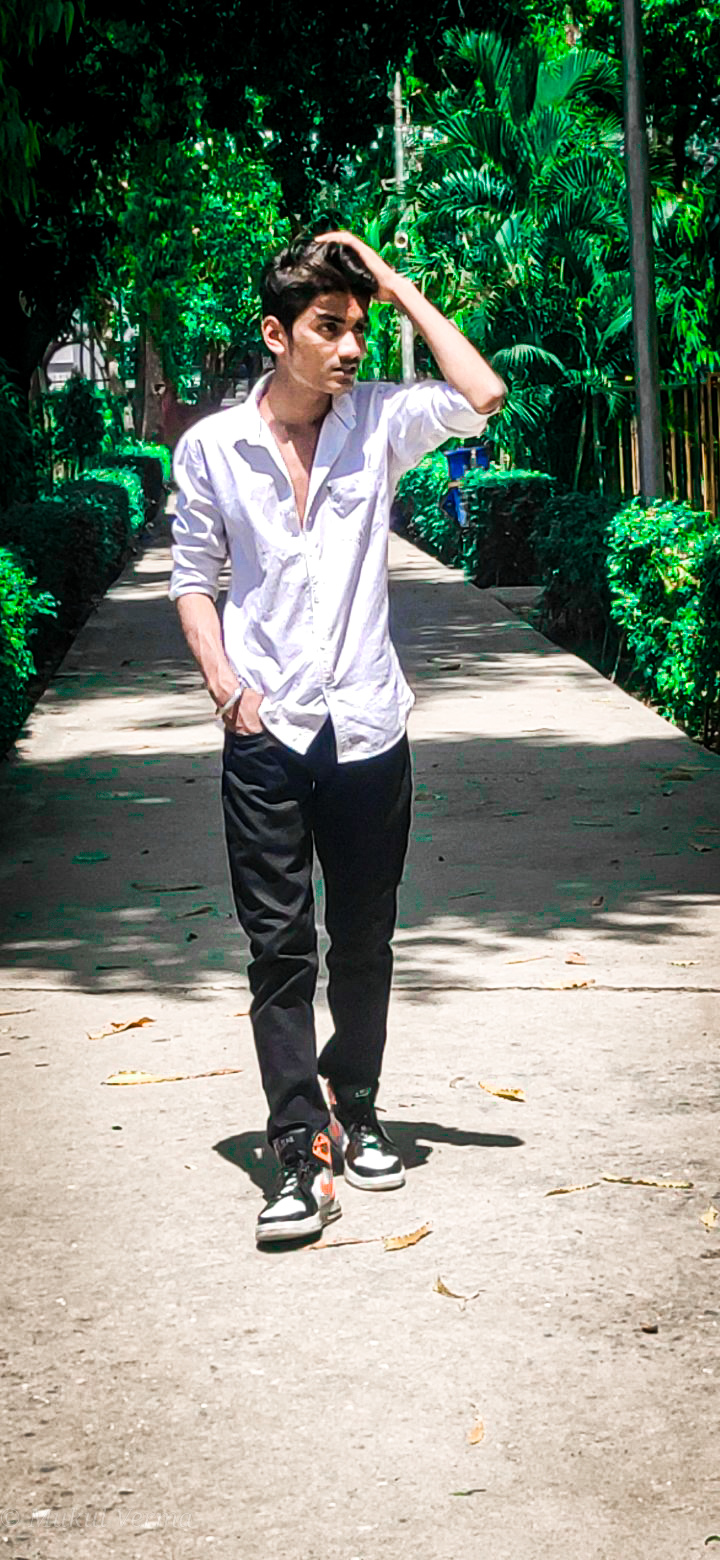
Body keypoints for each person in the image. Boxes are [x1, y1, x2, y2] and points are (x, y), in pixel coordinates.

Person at [170, 230, 506, 1244]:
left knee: (362, 938)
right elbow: (193, 576)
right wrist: (226, 687)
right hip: (266, 731)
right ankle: (297, 1149)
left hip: (366, 726)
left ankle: (355, 1107)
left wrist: (394, 283)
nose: (353, 346)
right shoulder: (212, 447)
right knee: (278, 949)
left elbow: (483, 393)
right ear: (277, 335)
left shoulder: (381, 424)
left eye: (359, 327)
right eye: (330, 327)